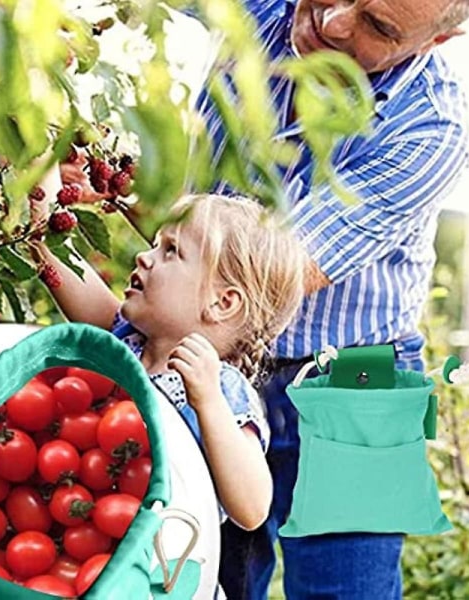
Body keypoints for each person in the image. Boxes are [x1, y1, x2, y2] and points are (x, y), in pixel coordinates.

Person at [189, 0, 469, 599]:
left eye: (378, 27)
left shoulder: (430, 126)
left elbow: (273, 271)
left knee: (346, 590)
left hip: (354, 376)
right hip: (225, 348)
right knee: (208, 573)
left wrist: (148, 222)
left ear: (434, 42)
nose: (334, 21)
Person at [30, 190, 306, 540]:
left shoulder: (220, 388)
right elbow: (52, 254)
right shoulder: (124, 341)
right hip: (81, 539)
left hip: (157, 569)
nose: (144, 257)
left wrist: (208, 402)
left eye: (171, 251)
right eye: (156, 244)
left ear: (222, 303)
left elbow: (252, 509)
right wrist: (45, 171)